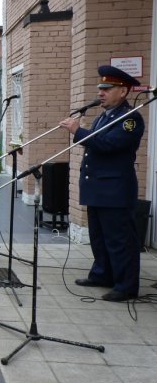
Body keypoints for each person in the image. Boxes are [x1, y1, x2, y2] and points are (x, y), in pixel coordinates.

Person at [59, 65, 145, 302]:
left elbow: (108, 144)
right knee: (99, 237)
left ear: (124, 92)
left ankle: (126, 286)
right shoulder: (103, 117)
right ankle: (102, 274)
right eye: (101, 88)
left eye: (108, 88)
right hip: (98, 189)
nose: (101, 93)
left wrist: (78, 131)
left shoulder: (130, 119)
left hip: (115, 190)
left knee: (119, 240)